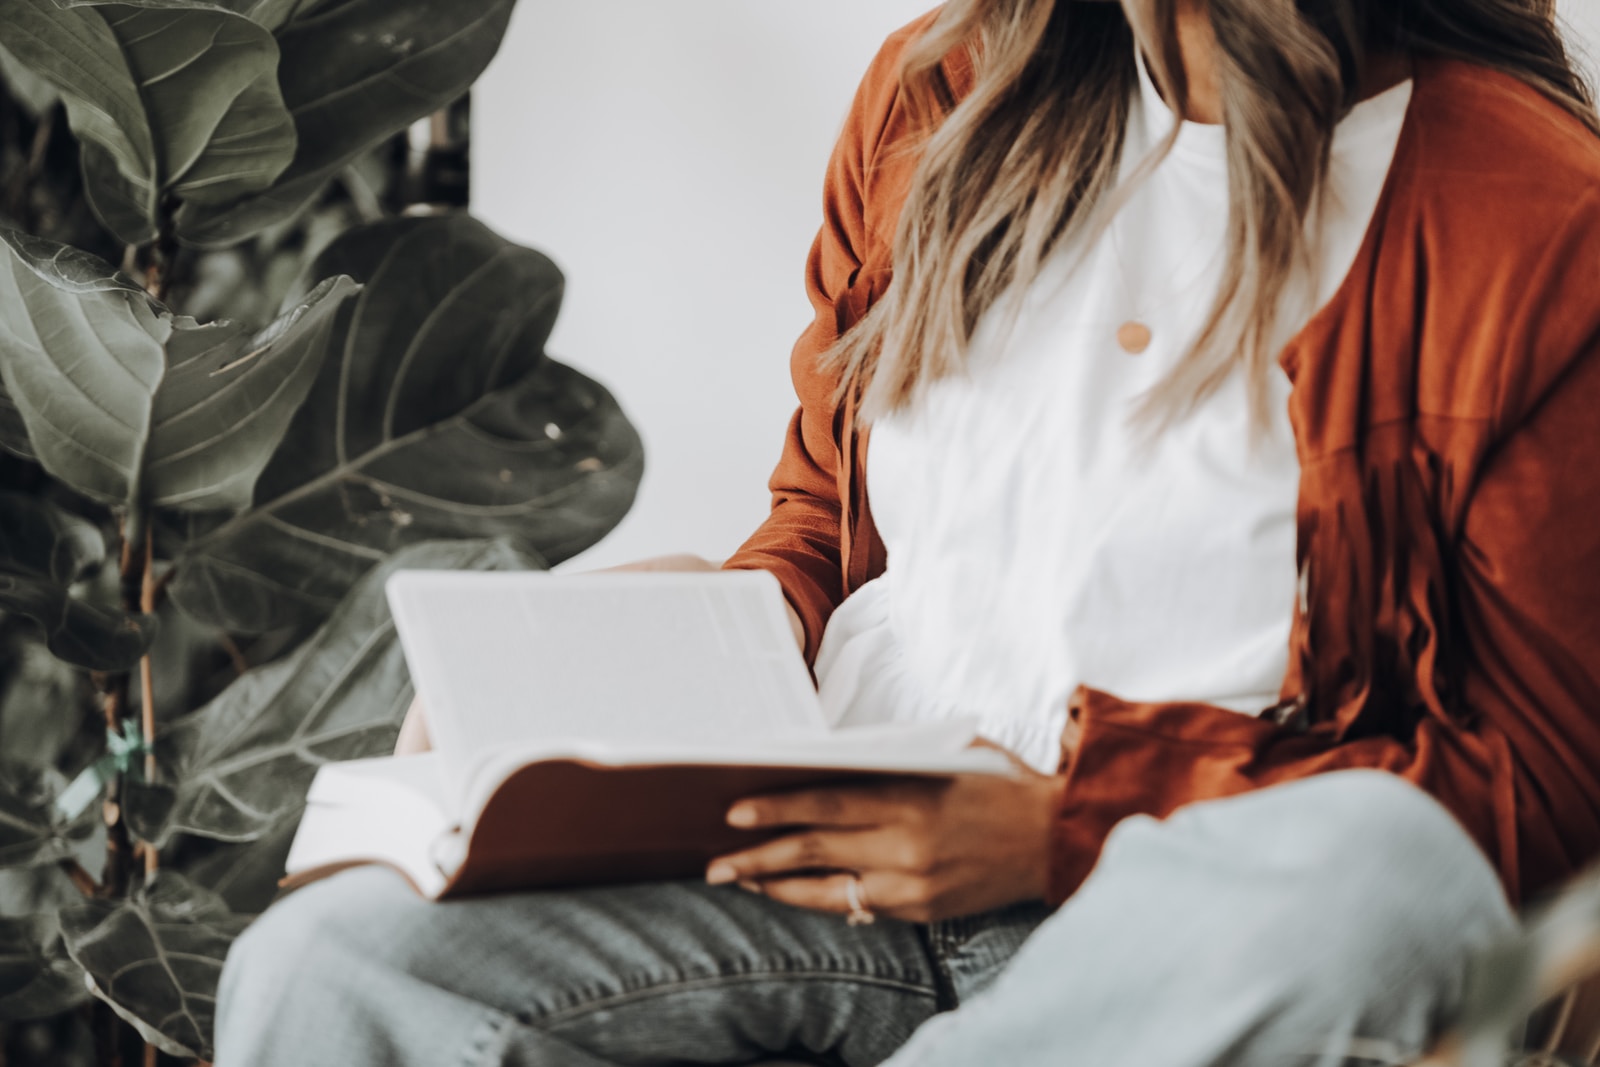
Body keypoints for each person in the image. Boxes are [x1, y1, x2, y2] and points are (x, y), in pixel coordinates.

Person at [213, 1, 1600, 1064]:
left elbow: (1541, 783)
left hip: (1171, 934)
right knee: (325, 968)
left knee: (1381, 877)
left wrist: (1068, 828)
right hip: (818, 860)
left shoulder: (1526, 212)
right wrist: (670, 643)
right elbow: (827, 524)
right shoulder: (942, 94)